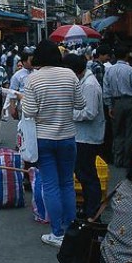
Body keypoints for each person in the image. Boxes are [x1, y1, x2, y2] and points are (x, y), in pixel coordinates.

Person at [21, 39, 85, 248]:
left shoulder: (33, 79)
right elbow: (80, 104)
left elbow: (29, 112)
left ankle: (57, 233)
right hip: (68, 137)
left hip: (44, 139)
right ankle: (71, 229)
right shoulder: (70, 75)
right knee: (67, 183)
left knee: (50, 185)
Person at [67, 53, 106, 217]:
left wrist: (69, 113)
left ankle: (93, 211)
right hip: (82, 136)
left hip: (87, 138)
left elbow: (89, 112)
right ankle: (90, 208)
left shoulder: (89, 85)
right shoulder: (83, 82)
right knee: (84, 174)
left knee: (87, 175)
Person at [103, 53, 132, 172]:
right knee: (130, 131)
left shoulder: (109, 71)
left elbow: (106, 89)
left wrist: (109, 106)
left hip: (116, 103)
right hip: (130, 102)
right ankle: (128, 160)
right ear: (126, 57)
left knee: (117, 132)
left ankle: (117, 159)